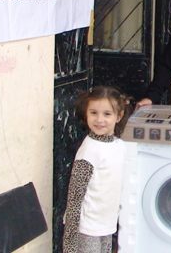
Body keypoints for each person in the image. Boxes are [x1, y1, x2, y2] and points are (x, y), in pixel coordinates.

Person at [62, 86, 133, 253]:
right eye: (93, 113)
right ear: (86, 114)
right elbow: (75, 197)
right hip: (87, 229)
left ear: (119, 116)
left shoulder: (120, 146)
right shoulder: (89, 151)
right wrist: (70, 245)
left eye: (107, 114)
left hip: (107, 226)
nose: (99, 119)